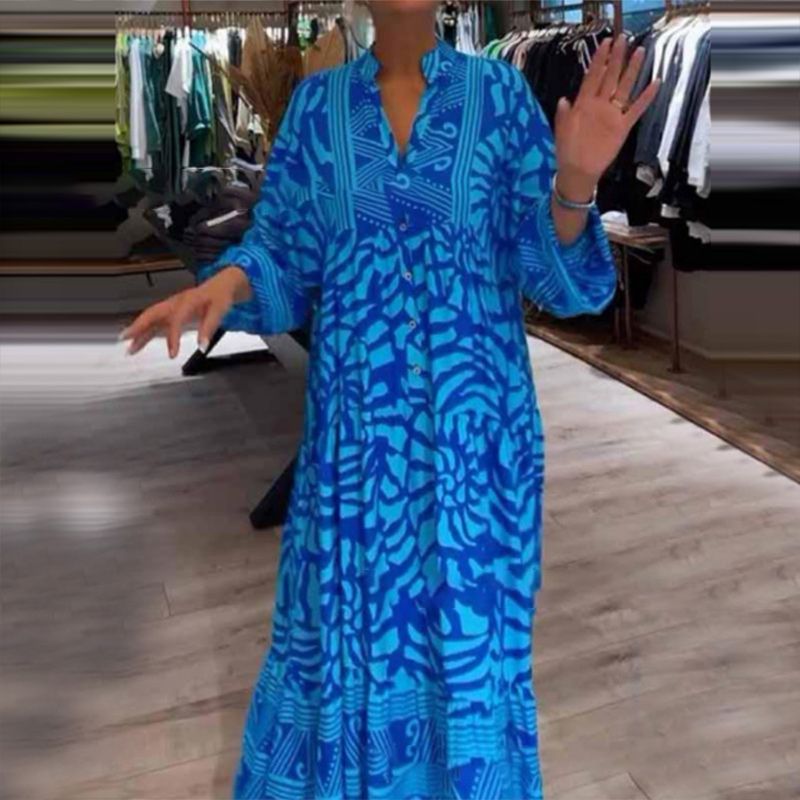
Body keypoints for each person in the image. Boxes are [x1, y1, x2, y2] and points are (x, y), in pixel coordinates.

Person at [120, 2, 659, 797]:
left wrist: (576, 180)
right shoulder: (318, 108)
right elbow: (283, 252)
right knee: (342, 643)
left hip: (474, 454)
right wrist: (224, 287)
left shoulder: (499, 98)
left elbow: (556, 280)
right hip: (355, 449)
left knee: (470, 652)